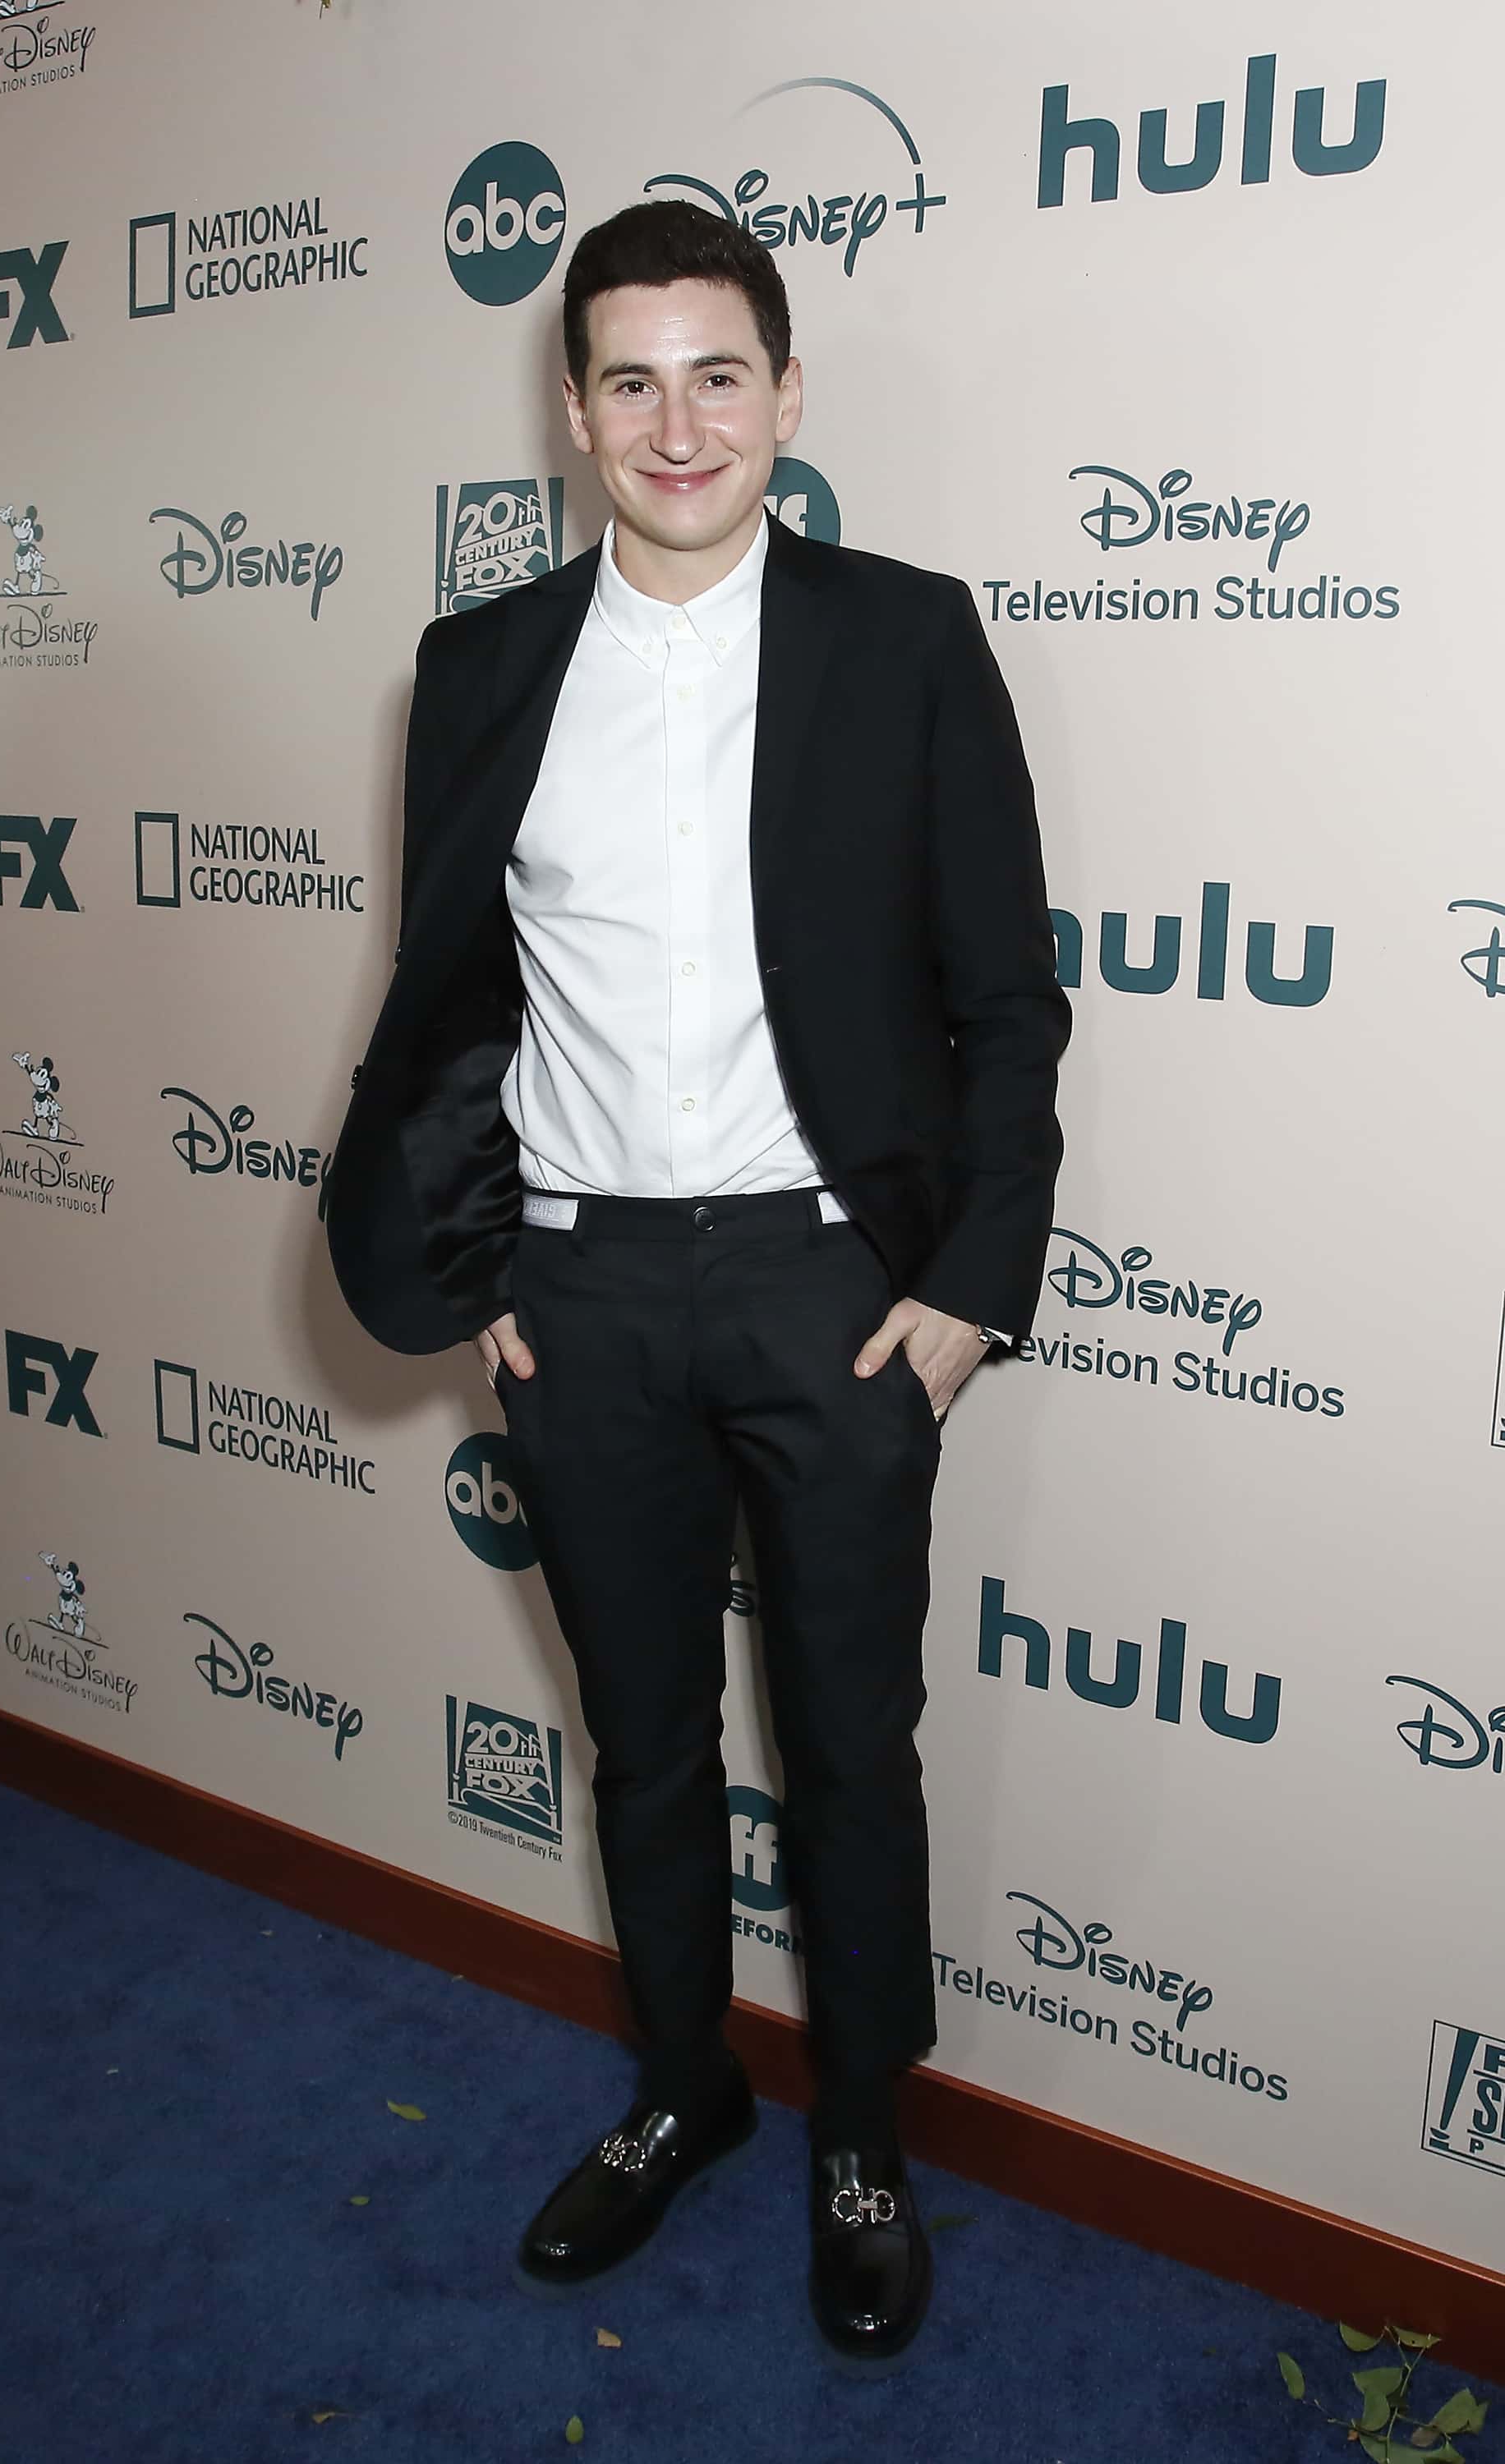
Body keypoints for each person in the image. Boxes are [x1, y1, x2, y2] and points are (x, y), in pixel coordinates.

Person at [326, 199, 1070, 2370]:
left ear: (786, 394)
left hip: (833, 1292)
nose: (678, 424)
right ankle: (682, 2087)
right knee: (641, 1739)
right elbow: (448, 1001)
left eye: (717, 375)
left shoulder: (904, 639)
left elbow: (1007, 1001)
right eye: (631, 381)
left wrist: (969, 1287)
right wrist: (476, 1265)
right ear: (574, 412)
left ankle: (864, 2140)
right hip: (579, 1295)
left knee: (850, 1743)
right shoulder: (480, 668)